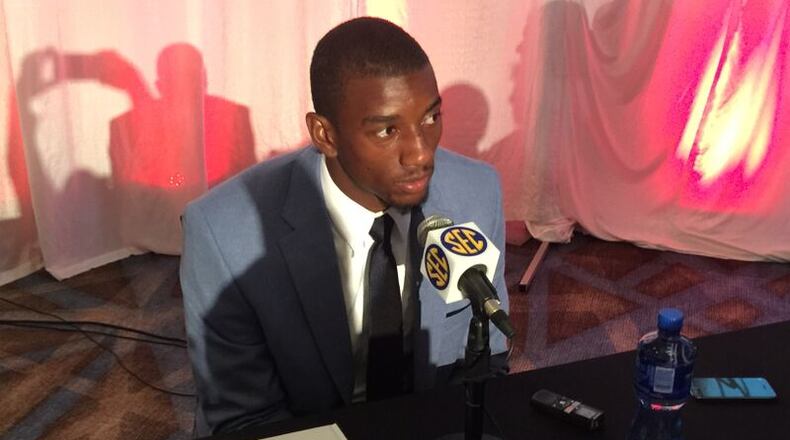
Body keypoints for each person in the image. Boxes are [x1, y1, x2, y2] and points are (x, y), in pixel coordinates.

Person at [180, 17, 510, 436]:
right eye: (388, 130)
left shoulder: (475, 193)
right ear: (325, 135)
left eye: (431, 118)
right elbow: (245, 422)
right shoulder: (223, 233)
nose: (422, 154)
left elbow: (485, 366)